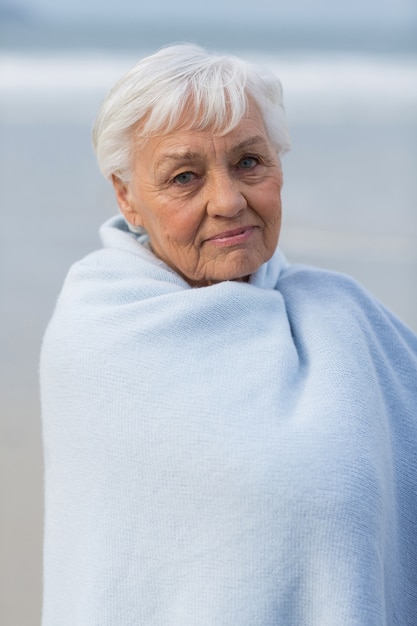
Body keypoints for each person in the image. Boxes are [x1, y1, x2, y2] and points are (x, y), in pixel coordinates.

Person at [40, 44, 417, 625]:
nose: (229, 201)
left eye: (248, 162)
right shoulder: (101, 330)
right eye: (184, 177)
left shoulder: (344, 315)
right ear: (127, 197)